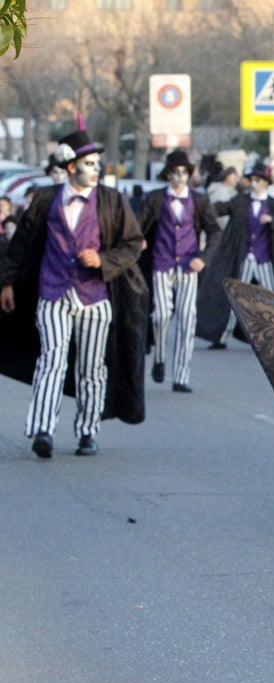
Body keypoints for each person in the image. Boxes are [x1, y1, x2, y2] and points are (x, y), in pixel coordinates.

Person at [0, 122, 147, 458]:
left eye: (98, 164)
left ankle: (87, 431)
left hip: (95, 298)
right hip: (52, 294)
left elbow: (134, 243)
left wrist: (103, 258)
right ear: (70, 167)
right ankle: (43, 430)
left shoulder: (111, 201)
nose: (96, 170)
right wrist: (7, 282)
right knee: (50, 360)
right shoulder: (44, 201)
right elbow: (21, 246)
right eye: (89, 164)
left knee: (92, 367)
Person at [136, 149, 222, 393]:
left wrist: (203, 258)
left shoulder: (199, 200)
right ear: (168, 174)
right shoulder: (155, 199)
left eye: (184, 172)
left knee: (187, 318)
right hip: (162, 263)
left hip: (188, 265)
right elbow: (138, 227)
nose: (180, 177)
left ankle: (181, 376)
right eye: (175, 172)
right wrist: (139, 241)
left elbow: (215, 231)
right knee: (161, 315)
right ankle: (160, 357)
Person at [197, 160, 274, 349]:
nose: (255, 183)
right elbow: (221, 208)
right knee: (235, 297)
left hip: (264, 258)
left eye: (259, 180)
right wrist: (202, 207)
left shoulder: (273, 204)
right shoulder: (241, 201)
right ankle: (222, 338)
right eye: (253, 179)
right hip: (245, 257)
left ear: (266, 183)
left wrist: (273, 221)